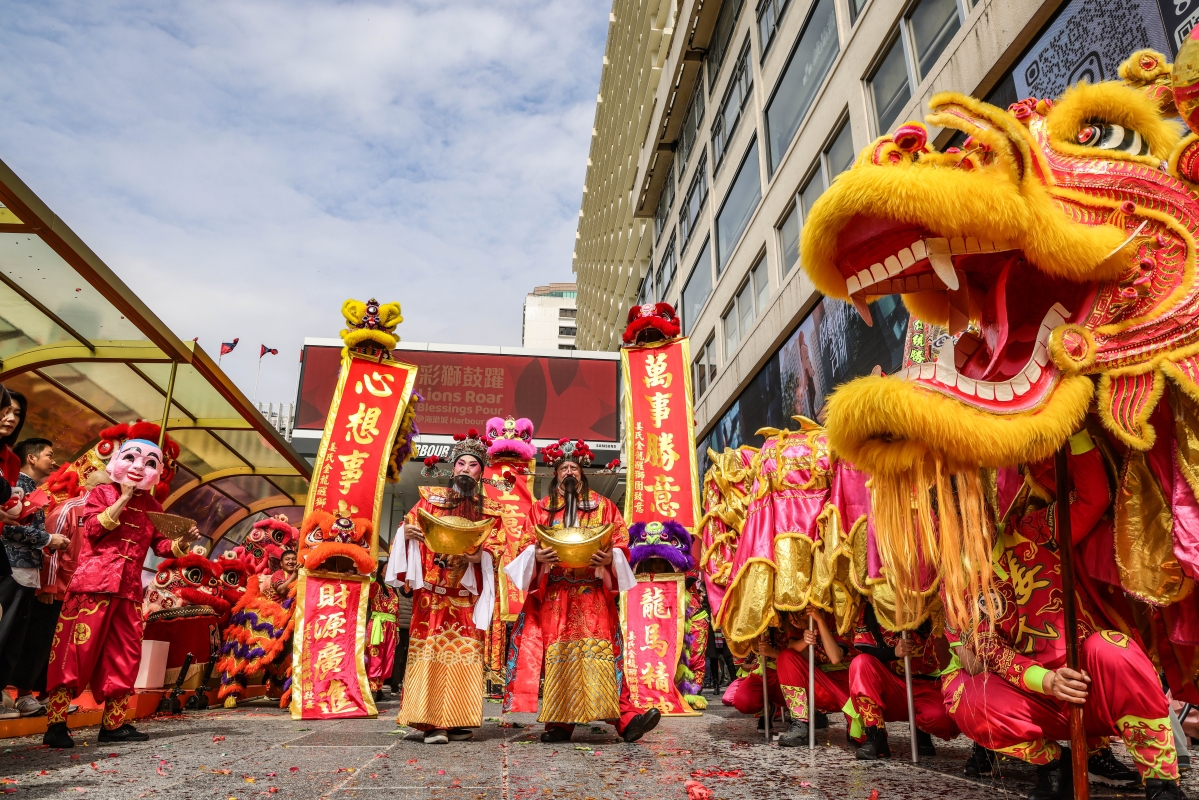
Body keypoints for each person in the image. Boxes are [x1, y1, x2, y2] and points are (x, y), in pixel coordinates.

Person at [944, 431, 1182, 800]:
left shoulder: (1034, 532)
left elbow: (1093, 498)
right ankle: (1055, 763)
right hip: (1037, 694)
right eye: (954, 516)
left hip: (1088, 682)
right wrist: (1048, 681)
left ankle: (1161, 780)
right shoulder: (958, 585)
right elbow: (987, 648)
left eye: (971, 509)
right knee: (963, 696)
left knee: (1114, 649)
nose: (967, 522)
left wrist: (1077, 432)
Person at [42, 431, 198, 748]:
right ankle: (56, 723)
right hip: (91, 587)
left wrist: (183, 542)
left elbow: (162, 545)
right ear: (117, 461)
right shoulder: (100, 493)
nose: (139, 467)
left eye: (149, 462)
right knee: (74, 653)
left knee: (124, 657)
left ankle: (113, 725)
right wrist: (124, 497)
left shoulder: (154, 506)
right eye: (131, 458)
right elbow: (95, 529)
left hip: (127, 592)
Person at [504, 437, 661, 744]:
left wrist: (609, 558)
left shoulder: (604, 507)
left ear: (583, 473)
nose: (569, 473)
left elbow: (620, 543)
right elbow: (522, 545)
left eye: (574, 467)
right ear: (555, 474)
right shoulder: (539, 511)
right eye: (563, 468)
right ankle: (559, 723)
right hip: (556, 594)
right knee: (558, 657)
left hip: (592, 594)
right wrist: (536, 556)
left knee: (604, 655)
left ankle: (627, 721)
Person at [389, 429, 503, 744]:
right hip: (433, 597)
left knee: (463, 656)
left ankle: (453, 719)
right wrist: (407, 536)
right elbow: (408, 527)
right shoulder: (428, 502)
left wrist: (482, 554)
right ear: (452, 468)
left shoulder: (489, 511)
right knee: (431, 655)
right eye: (461, 464)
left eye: (473, 465)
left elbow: (499, 544)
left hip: (465, 597)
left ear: (481, 472)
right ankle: (431, 723)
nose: (466, 469)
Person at [4, 438, 67, 717]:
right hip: (12, 567)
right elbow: (7, 527)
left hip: (28, 571)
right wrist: (48, 538)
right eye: (49, 455)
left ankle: (16, 695)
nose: (53, 462)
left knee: (17, 637)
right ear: (31, 458)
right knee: (6, 634)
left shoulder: (34, 489)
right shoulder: (16, 484)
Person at [848, 600, 958, 760]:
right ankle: (876, 735)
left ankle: (921, 731)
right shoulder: (871, 607)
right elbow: (864, 647)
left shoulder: (931, 605)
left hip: (926, 685)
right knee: (861, 664)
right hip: (890, 685)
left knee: (942, 720)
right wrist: (894, 652)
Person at [366, 560, 400, 700]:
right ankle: (373, 689)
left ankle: (379, 689)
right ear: (381, 571)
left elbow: (397, 612)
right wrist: (373, 577)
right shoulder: (376, 585)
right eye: (387, 568)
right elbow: (370, 592)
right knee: (376, 656)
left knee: (387, 658)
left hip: (391, 627)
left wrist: (397, 630)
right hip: (378, 625)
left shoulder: (392, 589)